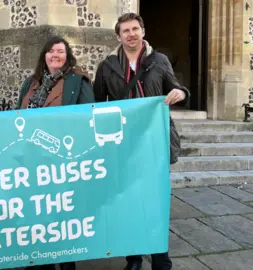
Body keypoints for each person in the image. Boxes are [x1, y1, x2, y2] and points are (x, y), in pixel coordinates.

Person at [93, 13, 190, 270]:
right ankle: (133, 259)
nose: (131, 34)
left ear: (143, 31)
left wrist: (180, 92)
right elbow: (95, 104)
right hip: (123, 145)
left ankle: (161, 261)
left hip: (155, 142)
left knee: (155, 203)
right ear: (118, 36)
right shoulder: (108, 65)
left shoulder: (159, 61)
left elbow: (176, 87)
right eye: (125, 30)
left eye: (135, 29)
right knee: (128, 202)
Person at [16, 35, 94, 270]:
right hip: (31, 159)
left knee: (61, 216)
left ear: (67, 55)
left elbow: (86, 117)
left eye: (60, 51)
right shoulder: (31, 82)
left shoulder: (78, 81)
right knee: (36, 215)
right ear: (44, 56)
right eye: (50, 51)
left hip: (61, 159)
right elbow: (16, 117)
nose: (55, 55)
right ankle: (39, 262)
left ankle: (66, 264)